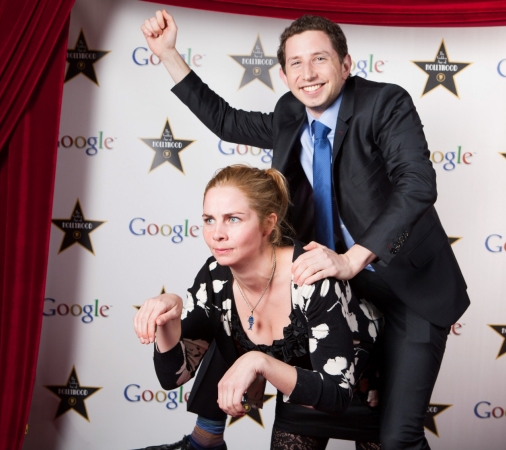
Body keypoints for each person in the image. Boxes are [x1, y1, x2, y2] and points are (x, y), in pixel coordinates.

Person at [141, 10, 469, 449]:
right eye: (296, 63)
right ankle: (205, 438)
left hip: (407, 287)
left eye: (320, 59)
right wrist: (168, 55)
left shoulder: (385, 103)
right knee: (235, 297)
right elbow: (227, 120)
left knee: (396, 437)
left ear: (346, 65)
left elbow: (417, 184)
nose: (308, 73)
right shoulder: (289, 112)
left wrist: (353, 258)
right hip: (334, 292)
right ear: (283, 72)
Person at [134, 165, 383, 450]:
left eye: (233, 219)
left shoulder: (310, 275)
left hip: (366, 388)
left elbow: (337, 395)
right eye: (209, 219)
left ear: (268, 224)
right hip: (299, 391)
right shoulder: (215, 275)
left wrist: (257, 361)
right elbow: (173, 376)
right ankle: (204, 440)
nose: (217, 234)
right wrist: (168, 317)